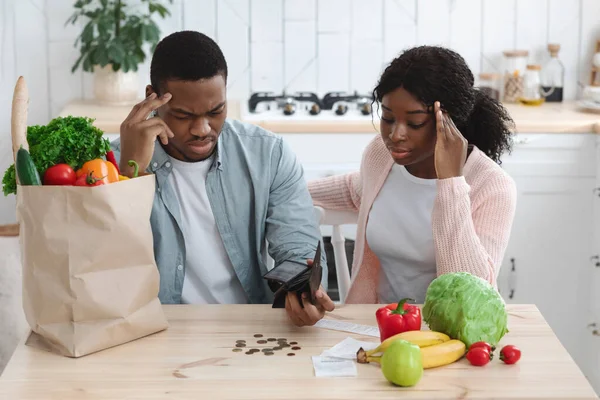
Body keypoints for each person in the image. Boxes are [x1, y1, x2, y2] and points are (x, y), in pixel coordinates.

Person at [111, 30, 334, 326]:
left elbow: (298, 247)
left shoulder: (267, 154)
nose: (202, 129)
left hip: (247, 328)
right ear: (152, 98)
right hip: (151, 330)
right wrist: (129, 174)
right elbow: (103, 265)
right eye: (183, 115)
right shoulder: (109, 164)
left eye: (216, 111)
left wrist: (302, 288)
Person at [308, 45, 517, 304]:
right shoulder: (380, 155)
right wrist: (281, 190)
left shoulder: (492, 186)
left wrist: (450, 181)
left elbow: (469, 298)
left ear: (448, 121)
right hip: (376, 324)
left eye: (415, 123)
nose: (396, 135)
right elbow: (357, 190)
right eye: (387, 118)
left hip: (448, 338)